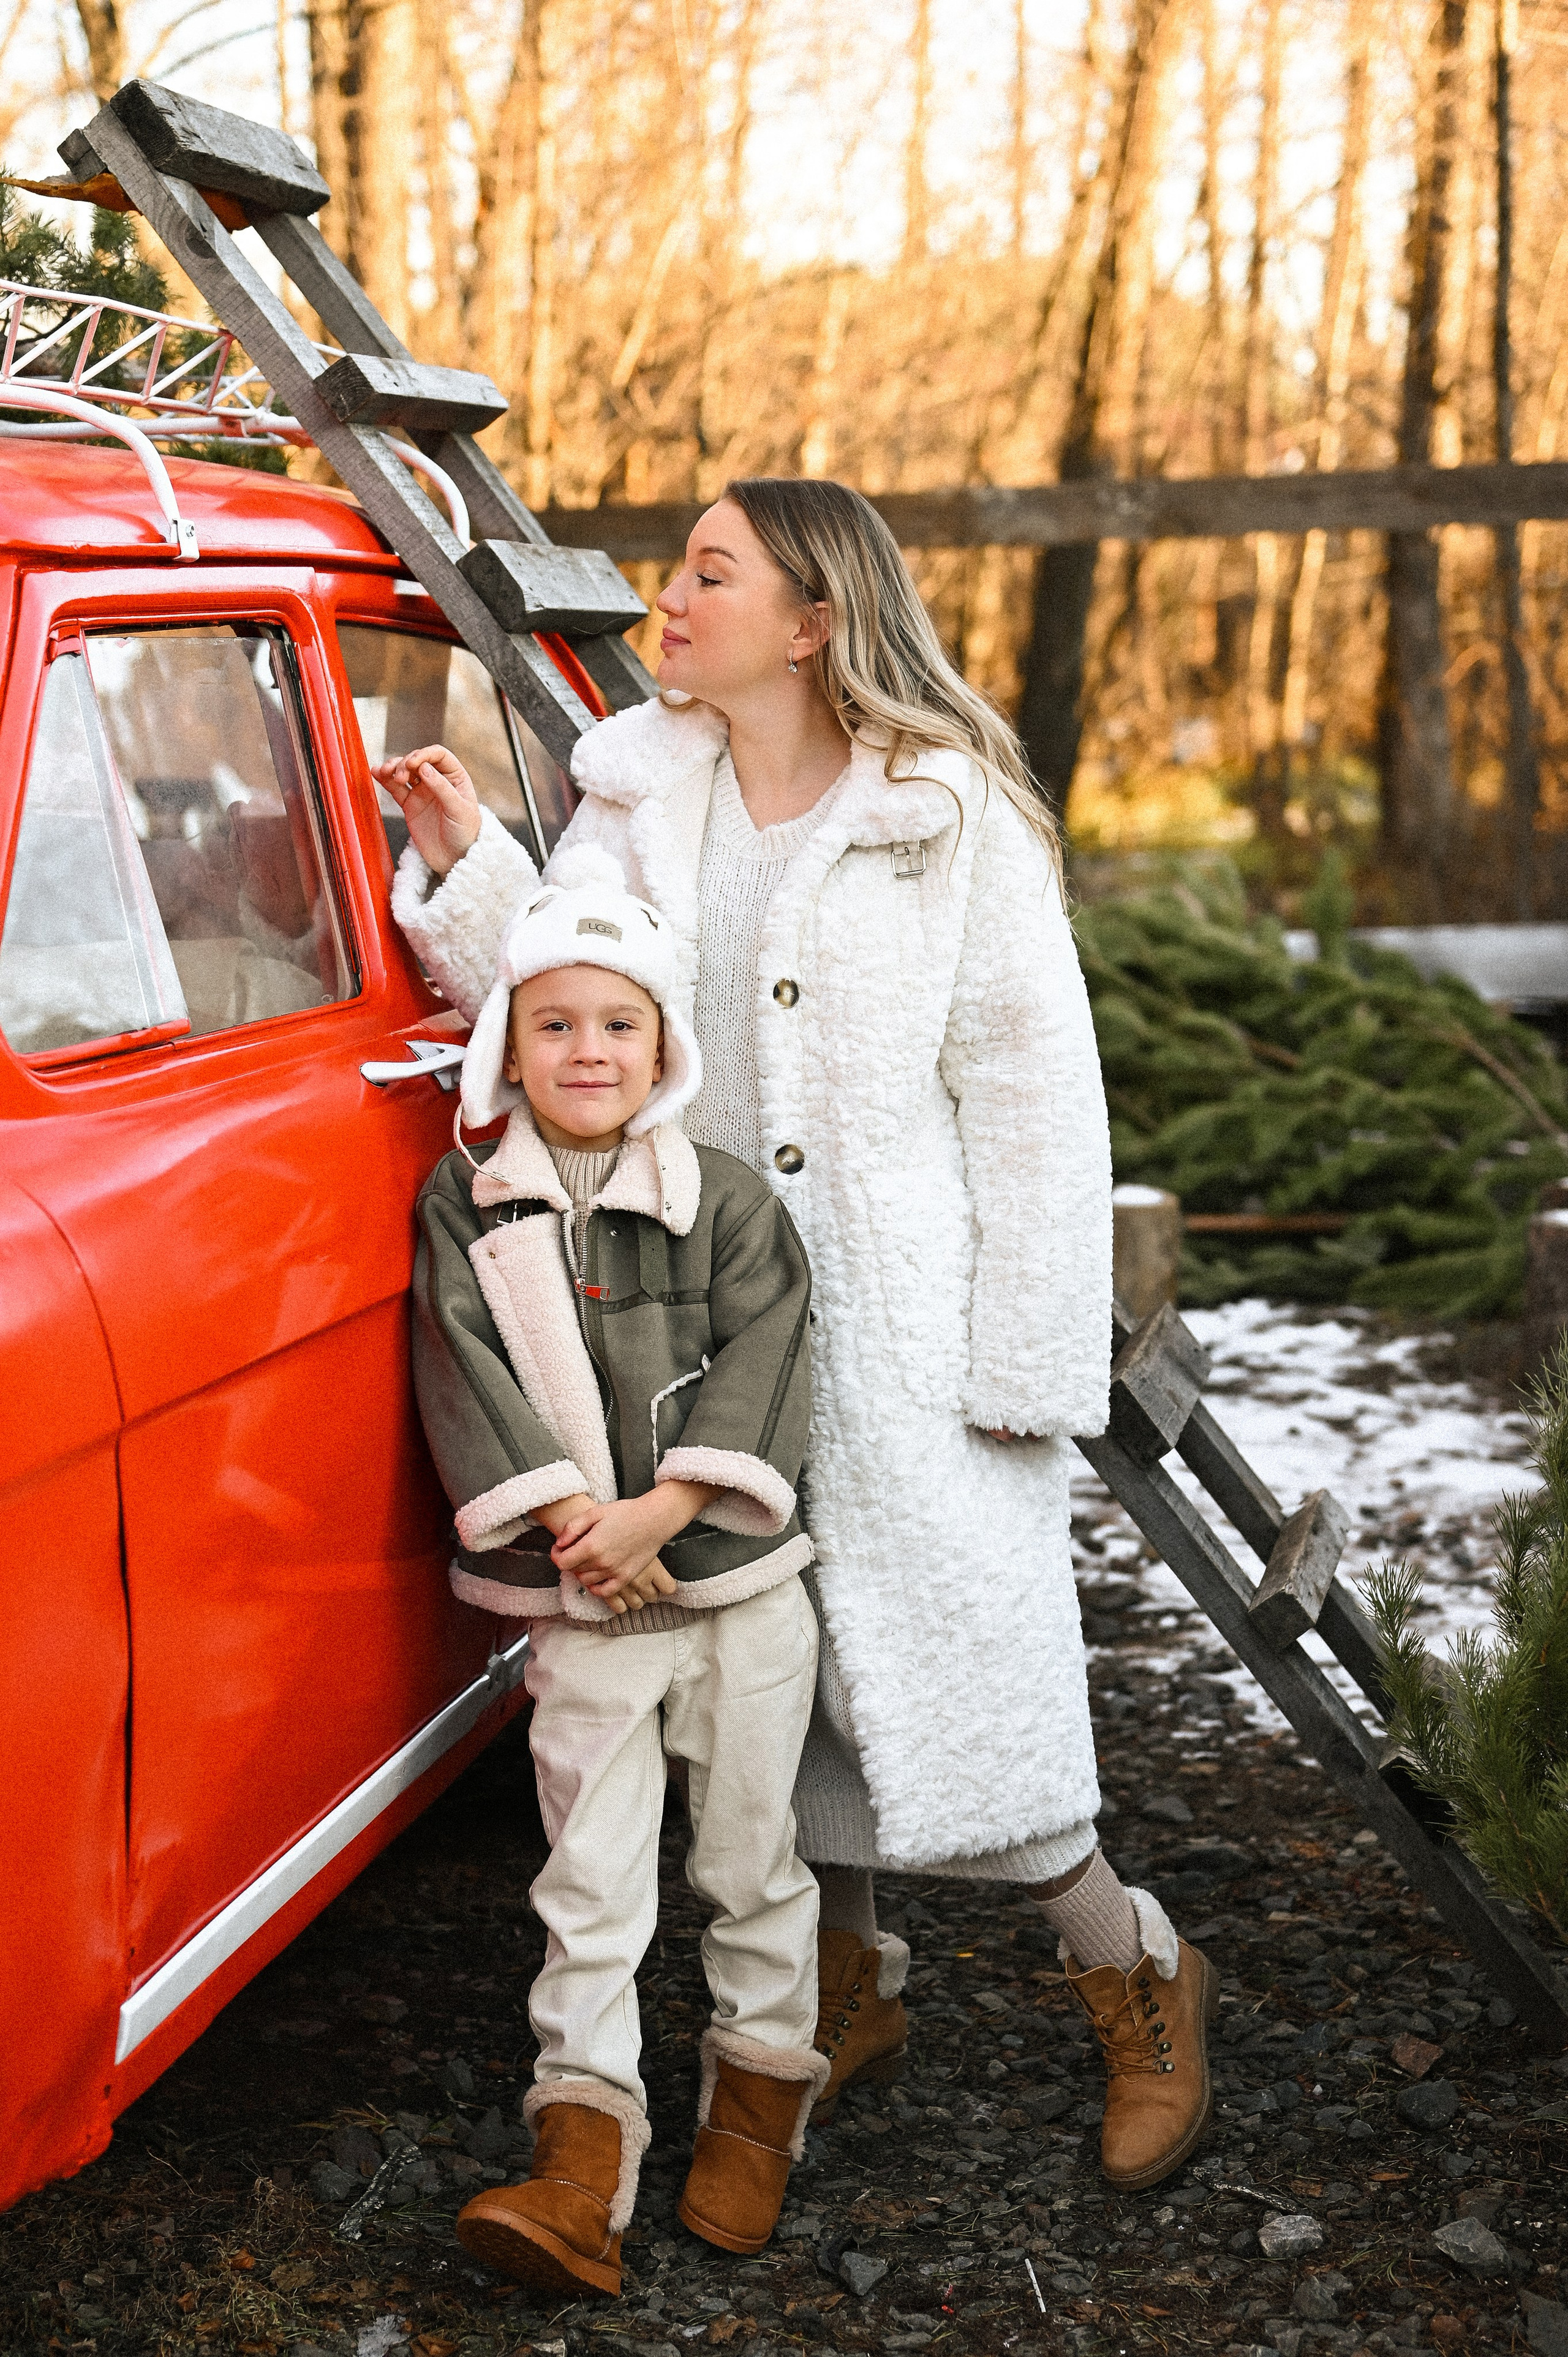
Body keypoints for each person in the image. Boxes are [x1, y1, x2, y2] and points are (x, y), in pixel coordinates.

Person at [382, 476, 1218, 2195]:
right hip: (704, 1311)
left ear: (815, 616)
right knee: (779, 1679)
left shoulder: (947, 813)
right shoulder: (638, 795)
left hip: (910, 1315)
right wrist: (473, 874)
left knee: (970, 1681)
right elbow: (572, 994)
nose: (666, 601)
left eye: (707, 573)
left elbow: (1037, 1094)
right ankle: (844, 1988)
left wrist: (1029, 1359)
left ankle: (1132, 1965)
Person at [411, 844, 827, 2295]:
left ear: (664, 1044)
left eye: (619, 1023)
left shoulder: (721, 1200)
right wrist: (580, 1529)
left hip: (739, 1594)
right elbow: (464, 1374)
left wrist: (663, 1512)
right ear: (506, 1043)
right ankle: (583, 2156)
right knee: (585, 1877)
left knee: (749, 1857)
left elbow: (773, 1354)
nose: (587, 1050)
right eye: (554, 1022)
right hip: (582, 1606)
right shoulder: (470, 1208)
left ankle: (758, 2106)